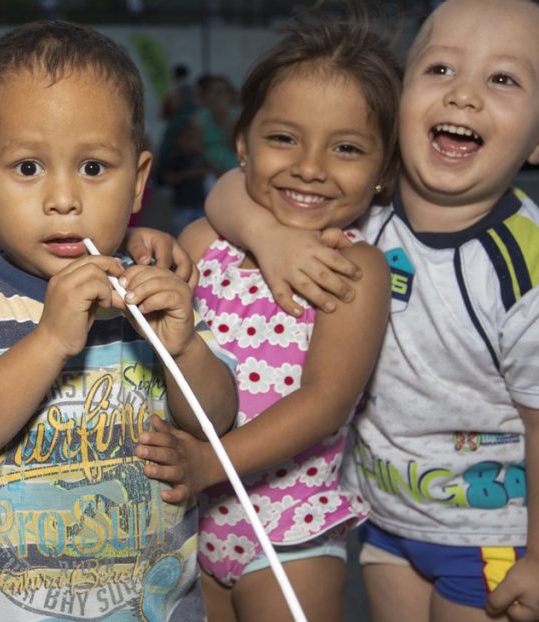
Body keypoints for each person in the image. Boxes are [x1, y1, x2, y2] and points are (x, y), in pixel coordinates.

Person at [205, 2, 539, 621]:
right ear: (399, 105)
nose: (464, 97)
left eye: (502, 79)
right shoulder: (364, 207)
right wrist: (267, 236)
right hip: (384, 514)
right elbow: (232, 185)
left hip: (490, 530)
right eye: (442, 70)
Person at [0, 21, 239, 621]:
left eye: (94, 168)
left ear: (137, 181)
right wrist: (50, 339)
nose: (63, 198)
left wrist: (184, 350)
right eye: (28, 168)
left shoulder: (150, 286)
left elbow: (214, 423)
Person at [139, 14, 400, 622]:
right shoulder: (208, 239)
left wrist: (209, 463)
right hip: (188, 523)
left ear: (385, 171)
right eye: (283, 138)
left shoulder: (354, 268)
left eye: (347, 148)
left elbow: (327, 400)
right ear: (242, 144)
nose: (311, 167)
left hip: (291, 527)